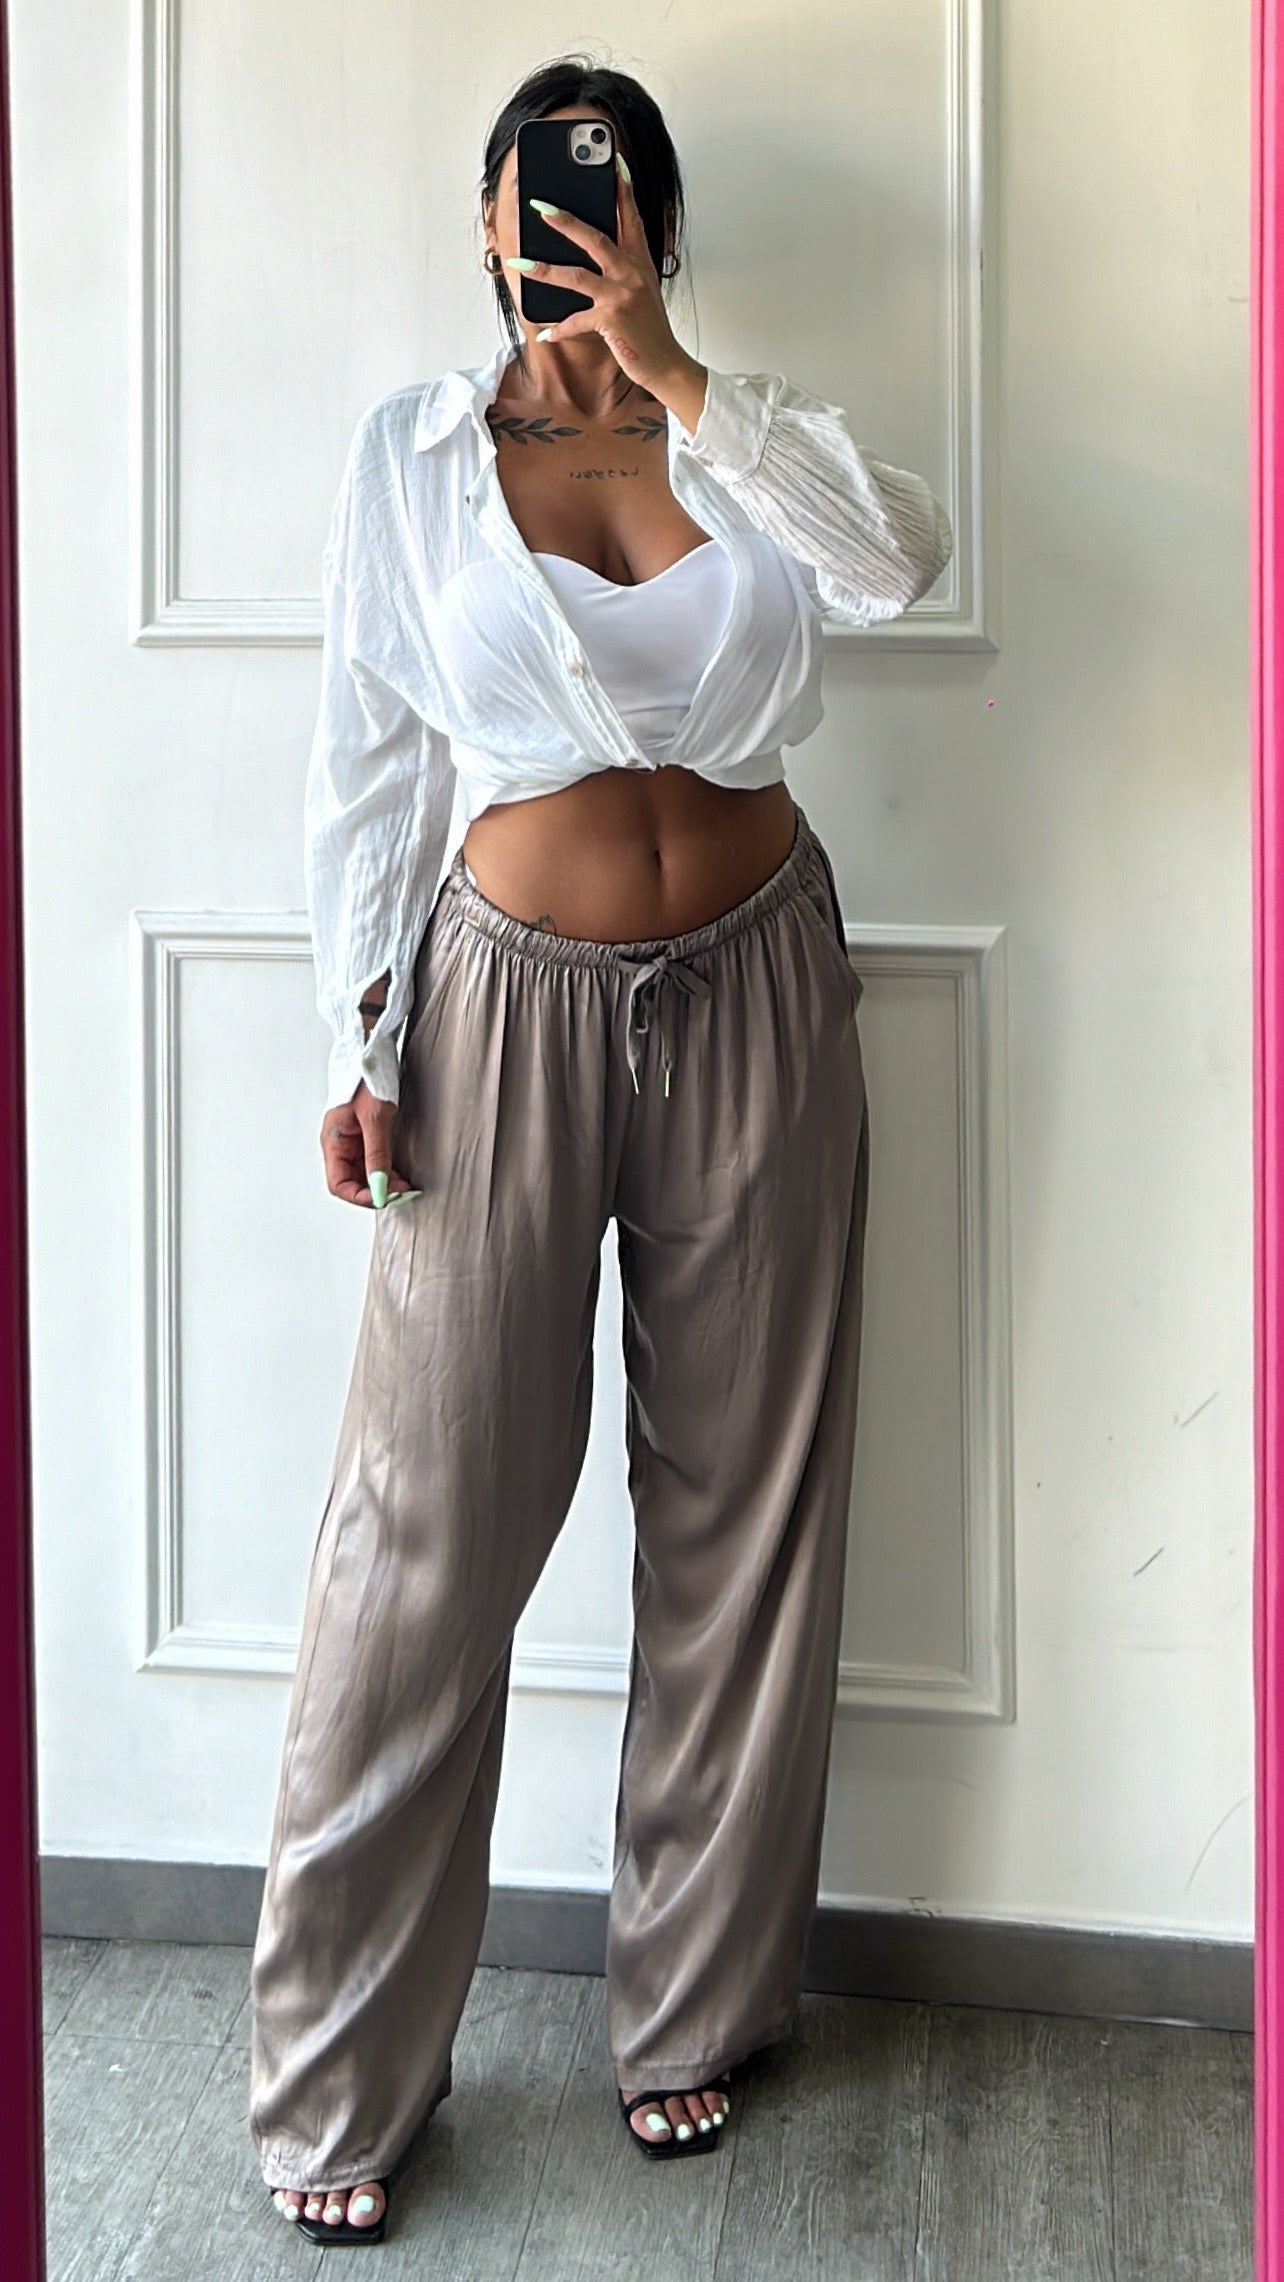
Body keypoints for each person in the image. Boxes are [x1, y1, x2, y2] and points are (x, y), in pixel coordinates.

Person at [250, 54, 952, 2245]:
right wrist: (360, 1028)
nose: (570, 224)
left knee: (743, 1509)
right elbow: (369, 758)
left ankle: (693, 2010)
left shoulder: (743, 435)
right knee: (426, 1531)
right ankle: (338, 2073)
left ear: (653, 222)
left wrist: (679, 378)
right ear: (485, 220)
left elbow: (902, 566)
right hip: (501, 1013)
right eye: (539, 193)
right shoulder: (411, 456)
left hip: (761, 986)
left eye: (612, 193)